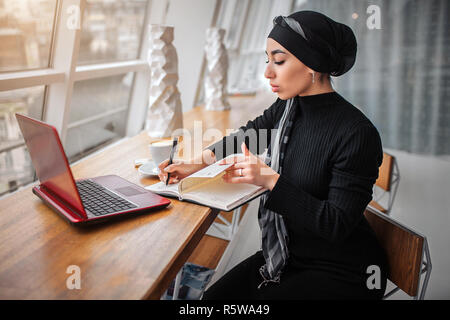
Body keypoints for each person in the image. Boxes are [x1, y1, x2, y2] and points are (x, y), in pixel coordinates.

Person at [158, 10, 388, 300]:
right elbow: (249, 134)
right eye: (267, 60)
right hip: (287, 258)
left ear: (312, 64)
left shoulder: (357, 134)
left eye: (278, 61)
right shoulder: (288, 107)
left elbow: (336, 224)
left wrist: (270, 180)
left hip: (341, 272)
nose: (268, 71)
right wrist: (193, 164)